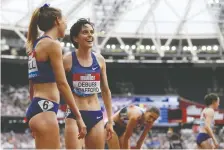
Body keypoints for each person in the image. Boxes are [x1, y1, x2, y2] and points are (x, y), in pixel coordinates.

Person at [26, 4, 86, 149]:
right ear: (57, 21)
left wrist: (34, 115)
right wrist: (78, 116)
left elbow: (31, 86)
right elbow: (62, 84)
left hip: (38, 108)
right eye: (65, 20)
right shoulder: (52, 45)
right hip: (45, 110)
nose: (66, 25)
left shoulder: (36, 45)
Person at [63, 18, 113, 149]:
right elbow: (59, 86)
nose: (90, 35)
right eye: (85, 32)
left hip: (96, 114)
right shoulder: (67, 60)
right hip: (75, 114)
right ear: (75, 38)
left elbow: (106, 91)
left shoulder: (100, 60)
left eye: (92, 32)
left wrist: (110, 122)